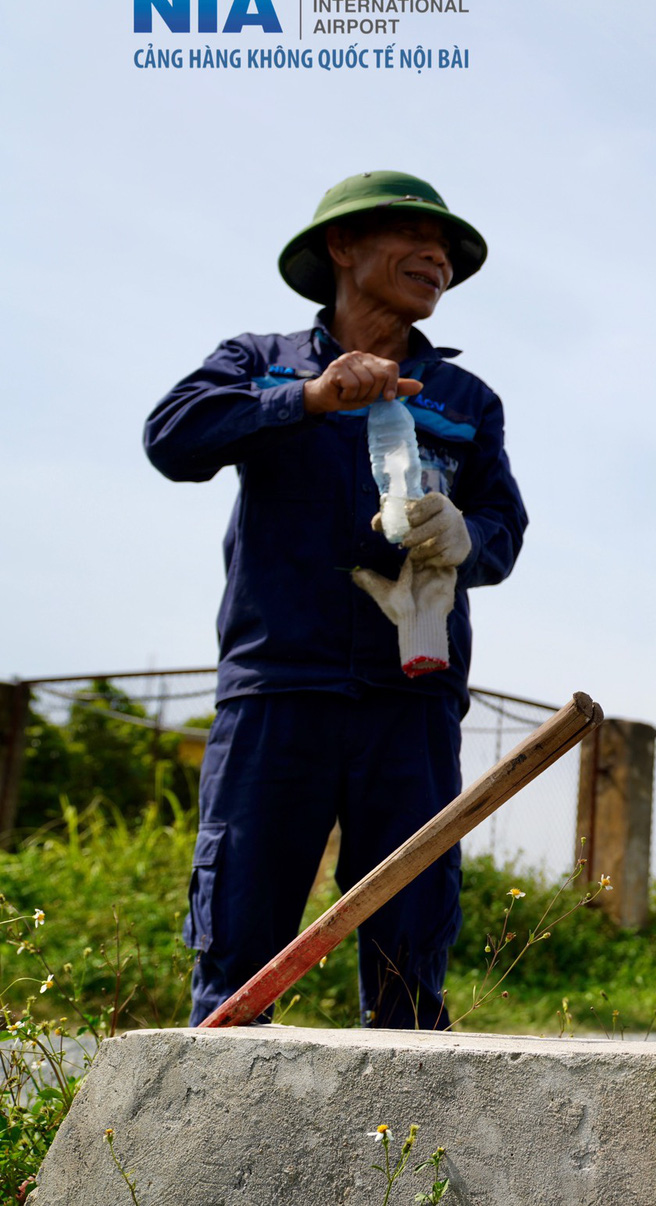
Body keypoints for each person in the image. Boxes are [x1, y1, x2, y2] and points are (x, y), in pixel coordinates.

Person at [145, 171, 528, 1028]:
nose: (437, 257)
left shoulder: (466, 401)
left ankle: (402, 1142)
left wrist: (466, 539)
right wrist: (310, 398)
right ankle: (218, 1128)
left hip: (413, 692)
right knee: (243, 921)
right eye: (411, 237)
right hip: (280, 686)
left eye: (448, 251)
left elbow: (504, 524)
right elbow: (171, 438)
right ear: (341, 248)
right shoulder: (261, 362)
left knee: (409, 933)